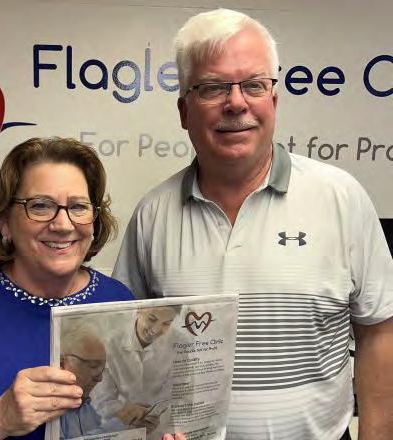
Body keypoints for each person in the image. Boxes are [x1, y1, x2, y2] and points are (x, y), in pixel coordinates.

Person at [113, 8, 393, 440]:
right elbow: (128, 348)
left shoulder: (341, 197)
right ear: (184, 110)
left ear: (273, 101)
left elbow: (378, 331)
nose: (236, 102)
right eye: (213, 87)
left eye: (253, 85)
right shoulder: (152, 215)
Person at [0, 137, 184, 440]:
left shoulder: (117, 299)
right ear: (4, 222)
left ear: (94, 221)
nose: (63, 225)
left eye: (78, 206)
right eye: (40, 206)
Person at [92, 306, 181, 432]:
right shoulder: (109, 344)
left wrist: (156, 418)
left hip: (161, 430)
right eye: (152, 319)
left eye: (166, 323)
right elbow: (102, 401)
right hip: (121, 427)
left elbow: (181, 395)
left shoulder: (180, 343)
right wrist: (128, 416)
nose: (156, 329)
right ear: (138, 310)